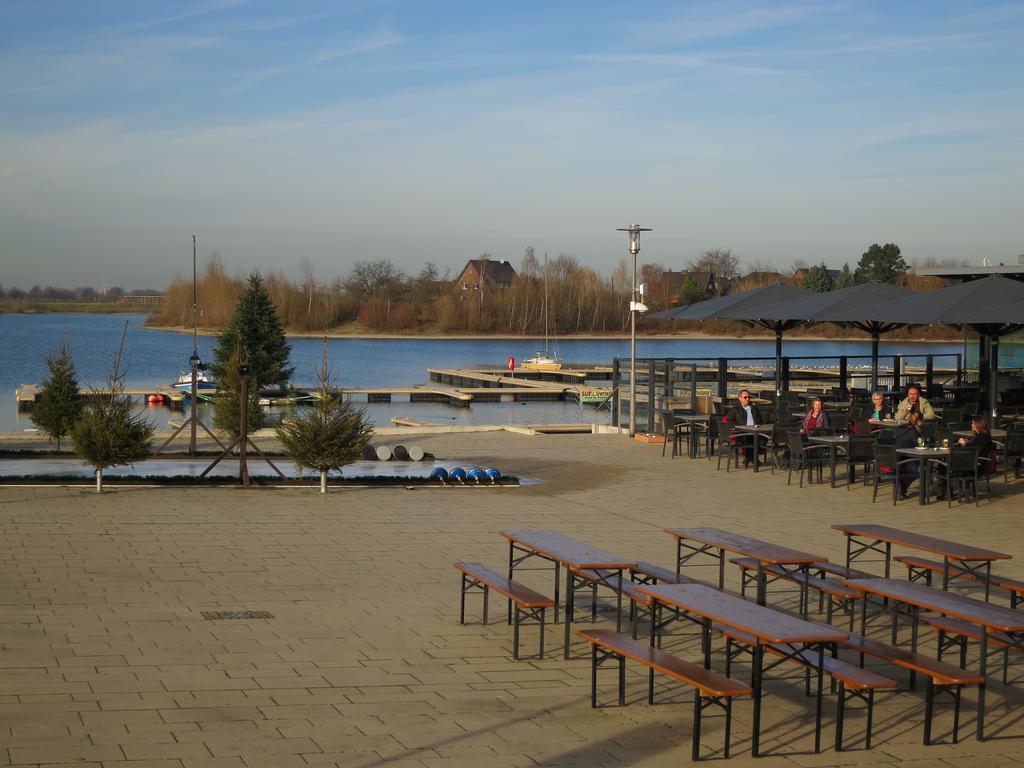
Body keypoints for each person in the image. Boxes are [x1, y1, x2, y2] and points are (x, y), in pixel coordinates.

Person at [934, 415, 995, 500]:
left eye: (973, 423)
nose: (972, 425)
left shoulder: (983, 437)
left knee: (942, 467)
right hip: (973, 464)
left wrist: (965, 444)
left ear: (978, 424)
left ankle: (944, 494)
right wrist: (967, 443)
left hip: (974, 467)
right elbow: (975, 448)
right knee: (943, 466)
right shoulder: (981, 436)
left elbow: (975, 451)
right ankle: (946, 493)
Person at [724, 389, 765, 466]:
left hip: (755, 431)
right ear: (740, 398)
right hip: (741, 433)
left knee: (764, 439)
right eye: (745, 397)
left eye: (749, 397)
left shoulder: (754, 409)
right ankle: (753, 459)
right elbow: (729, 422)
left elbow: (760, 420)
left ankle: (749, 458)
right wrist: (740, 427)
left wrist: (759, 425)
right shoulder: (734, 410)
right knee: (750, 439)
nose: (748, 399)